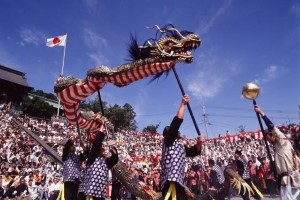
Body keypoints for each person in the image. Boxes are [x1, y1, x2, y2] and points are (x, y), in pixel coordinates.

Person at [160, 95, 205, 200]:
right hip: (170, 180)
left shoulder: (179, 146)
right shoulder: (168, 141)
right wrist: (182, 104)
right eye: (175, 131)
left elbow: (194, 151)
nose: (178, 132)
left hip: (178, 181)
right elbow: (176, 122)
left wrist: (199, 142)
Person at [254, 105, 300, 199]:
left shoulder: (283, 141)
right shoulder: (278, 147)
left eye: (269, 136)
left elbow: (271, 126)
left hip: (292, 182)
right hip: (285, 181)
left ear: (275, 135)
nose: (268, 139)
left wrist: (261, 113)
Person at [83, 131, 119, 200]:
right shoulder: (92, 157)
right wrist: (102, 132)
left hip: (101, 192)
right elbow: (96, 145)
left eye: (104, 146)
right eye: (101, 146)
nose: (103, 147)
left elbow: (115, 160)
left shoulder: (106, 160)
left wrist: (113, 148)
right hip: (91, 190)